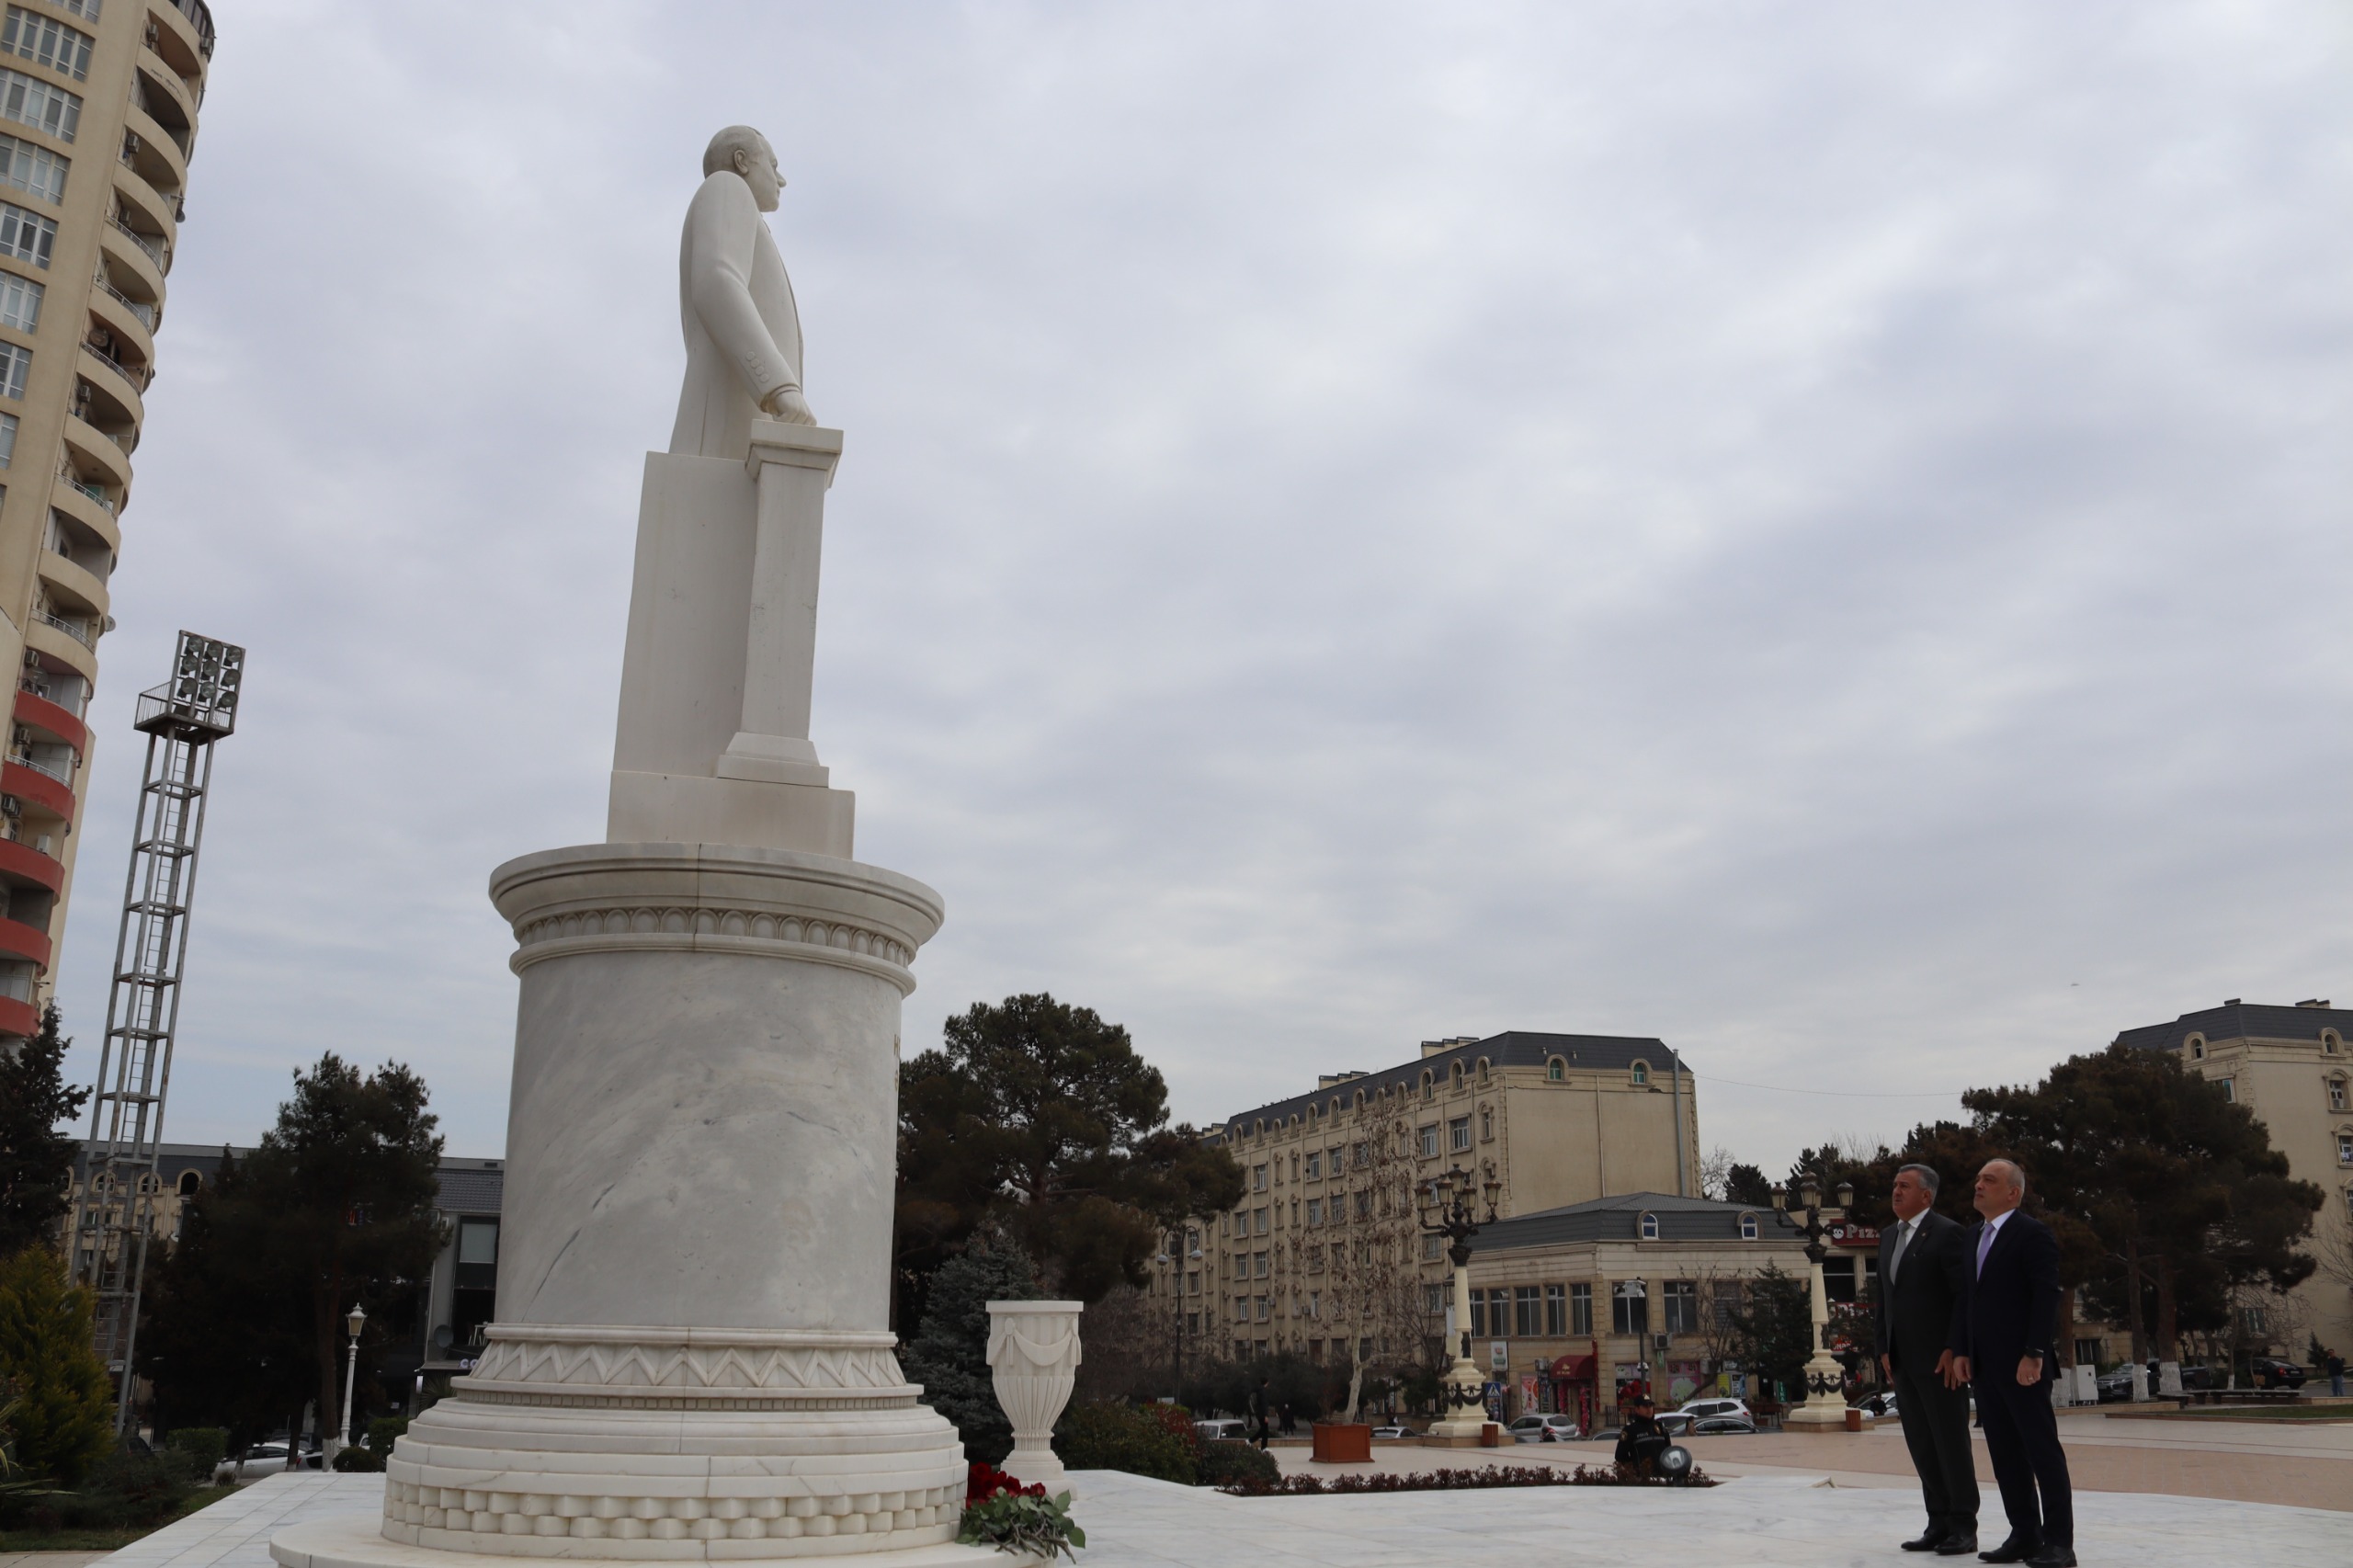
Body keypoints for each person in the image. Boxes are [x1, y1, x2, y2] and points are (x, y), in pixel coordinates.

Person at [1955, 1159, 2074, 1568]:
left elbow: (2046, 1296)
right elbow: (1966, 1300)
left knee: (2042, 1454)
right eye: (1978, 1178)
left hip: (2024, 1364)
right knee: (2005, 1455)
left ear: (2013, 1193)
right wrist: (1961, 1351)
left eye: (1989, 1179)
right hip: (1985, 1367)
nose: (1979, 1184)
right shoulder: (1973, 1236)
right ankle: (2024, 1534)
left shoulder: (2032, 1234)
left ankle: (2059, 1543)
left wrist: (2034, 1353)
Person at [1873, 1162, 1979, 1556]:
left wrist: (1956, 1348)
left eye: (1905, 1186)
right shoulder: (1887, 1236)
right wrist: (1883, 1348)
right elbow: (1884, 1298)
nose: (1896, 1192)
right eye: (1895, 1185)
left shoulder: (1948, 1233)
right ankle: (1937, 1521)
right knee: (1921, 1444)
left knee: (1950, 1443)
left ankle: (1963, 1525)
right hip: (1902, 1361)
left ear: (1926, 1195)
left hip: (1941, 1362)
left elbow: (1961, 1297)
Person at [1614, 1394, 1668, 1474]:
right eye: (1645, 1406)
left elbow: (1668, 1451)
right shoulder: (1630, 1430)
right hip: (1643, 1480)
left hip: (1663, 1477)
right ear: (1637, 1409)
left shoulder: (1660, 1427)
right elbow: (1620, 1456)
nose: (1649, 1409)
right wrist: (1635, 1469)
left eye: (1650, 1406)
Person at [1246, 1376, 1271, 1450]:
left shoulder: (1258, 1390)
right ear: (1267, 1383)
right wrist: (1266, 1415)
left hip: (1259, 1413)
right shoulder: (1263, 1392)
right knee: (1264, 1430)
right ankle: (1262, 1446)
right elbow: (1264, 1404)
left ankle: (1251, 1441)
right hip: (1262, 1414)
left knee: (1264, 1430)